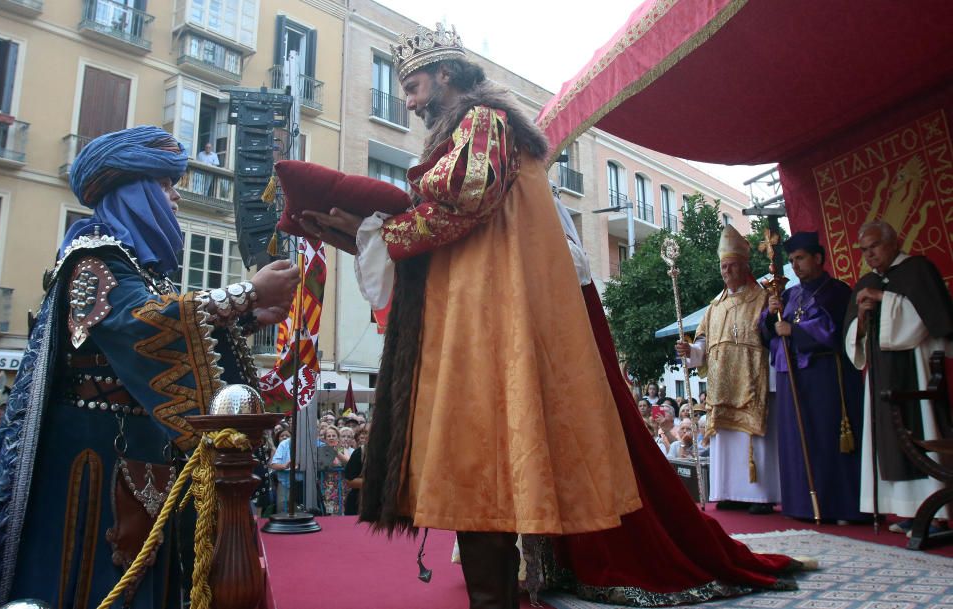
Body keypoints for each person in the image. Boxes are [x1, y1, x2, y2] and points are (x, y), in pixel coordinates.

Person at [296, 23, 806, 608]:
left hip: (494, 311)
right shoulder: (469, 129)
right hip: (483, 303)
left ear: (445, 74)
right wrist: (365, 232)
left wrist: (381, 230)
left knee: (486, 442)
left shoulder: (483, 121)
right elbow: (452, 215)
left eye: (412, 85)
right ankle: (517, 579)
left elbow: (466, 197)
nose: (408, 101)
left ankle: (505, 591)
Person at [0, 126, 300, 609]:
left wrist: (243, 313)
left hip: (136, 452)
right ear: (134, 190)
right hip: (90, 454)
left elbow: (171, 325)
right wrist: (246, 293)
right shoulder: (92, 257)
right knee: (93, 573)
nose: (175, 198)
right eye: (165, 186)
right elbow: (140, 324)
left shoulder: (138, 269)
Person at [843, 221, 953, 532]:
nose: (869, 255)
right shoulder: (865, 282)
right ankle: (906, 511)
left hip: (916, 366)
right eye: (864, 250)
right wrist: (862, 316)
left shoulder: (917, 270)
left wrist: (884, 299)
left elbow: (927, 321)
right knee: (889, 439)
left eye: (874, 247)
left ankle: (938, 512)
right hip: (881, 373)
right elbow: (854, 337)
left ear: (894, 243)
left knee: (922, 429)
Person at [760, 232, 865, 523]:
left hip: (824, 377)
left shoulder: (837, 292)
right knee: (797, 439)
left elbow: (837, 332)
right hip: (791, 375)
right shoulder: (790, 295)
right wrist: (771, 316)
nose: (795, 266)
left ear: (818, 258)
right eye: (792, 260)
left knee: (825, 438)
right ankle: (802, 505)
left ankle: (839, 506)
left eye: (801, 258)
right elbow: (767, 335)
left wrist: (796, 332)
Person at [676, 226, 780, 515]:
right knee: (725, 440)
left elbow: (771, 335)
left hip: (751, 377)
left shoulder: (762, 298)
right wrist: (691, 352)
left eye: (732, 265)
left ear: (745, 266)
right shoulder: (714, 306)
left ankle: (760, 496)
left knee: (753, 437)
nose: (727, 271)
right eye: (723, 266)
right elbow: (703, 344)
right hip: (721, 384)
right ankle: (730, 491)